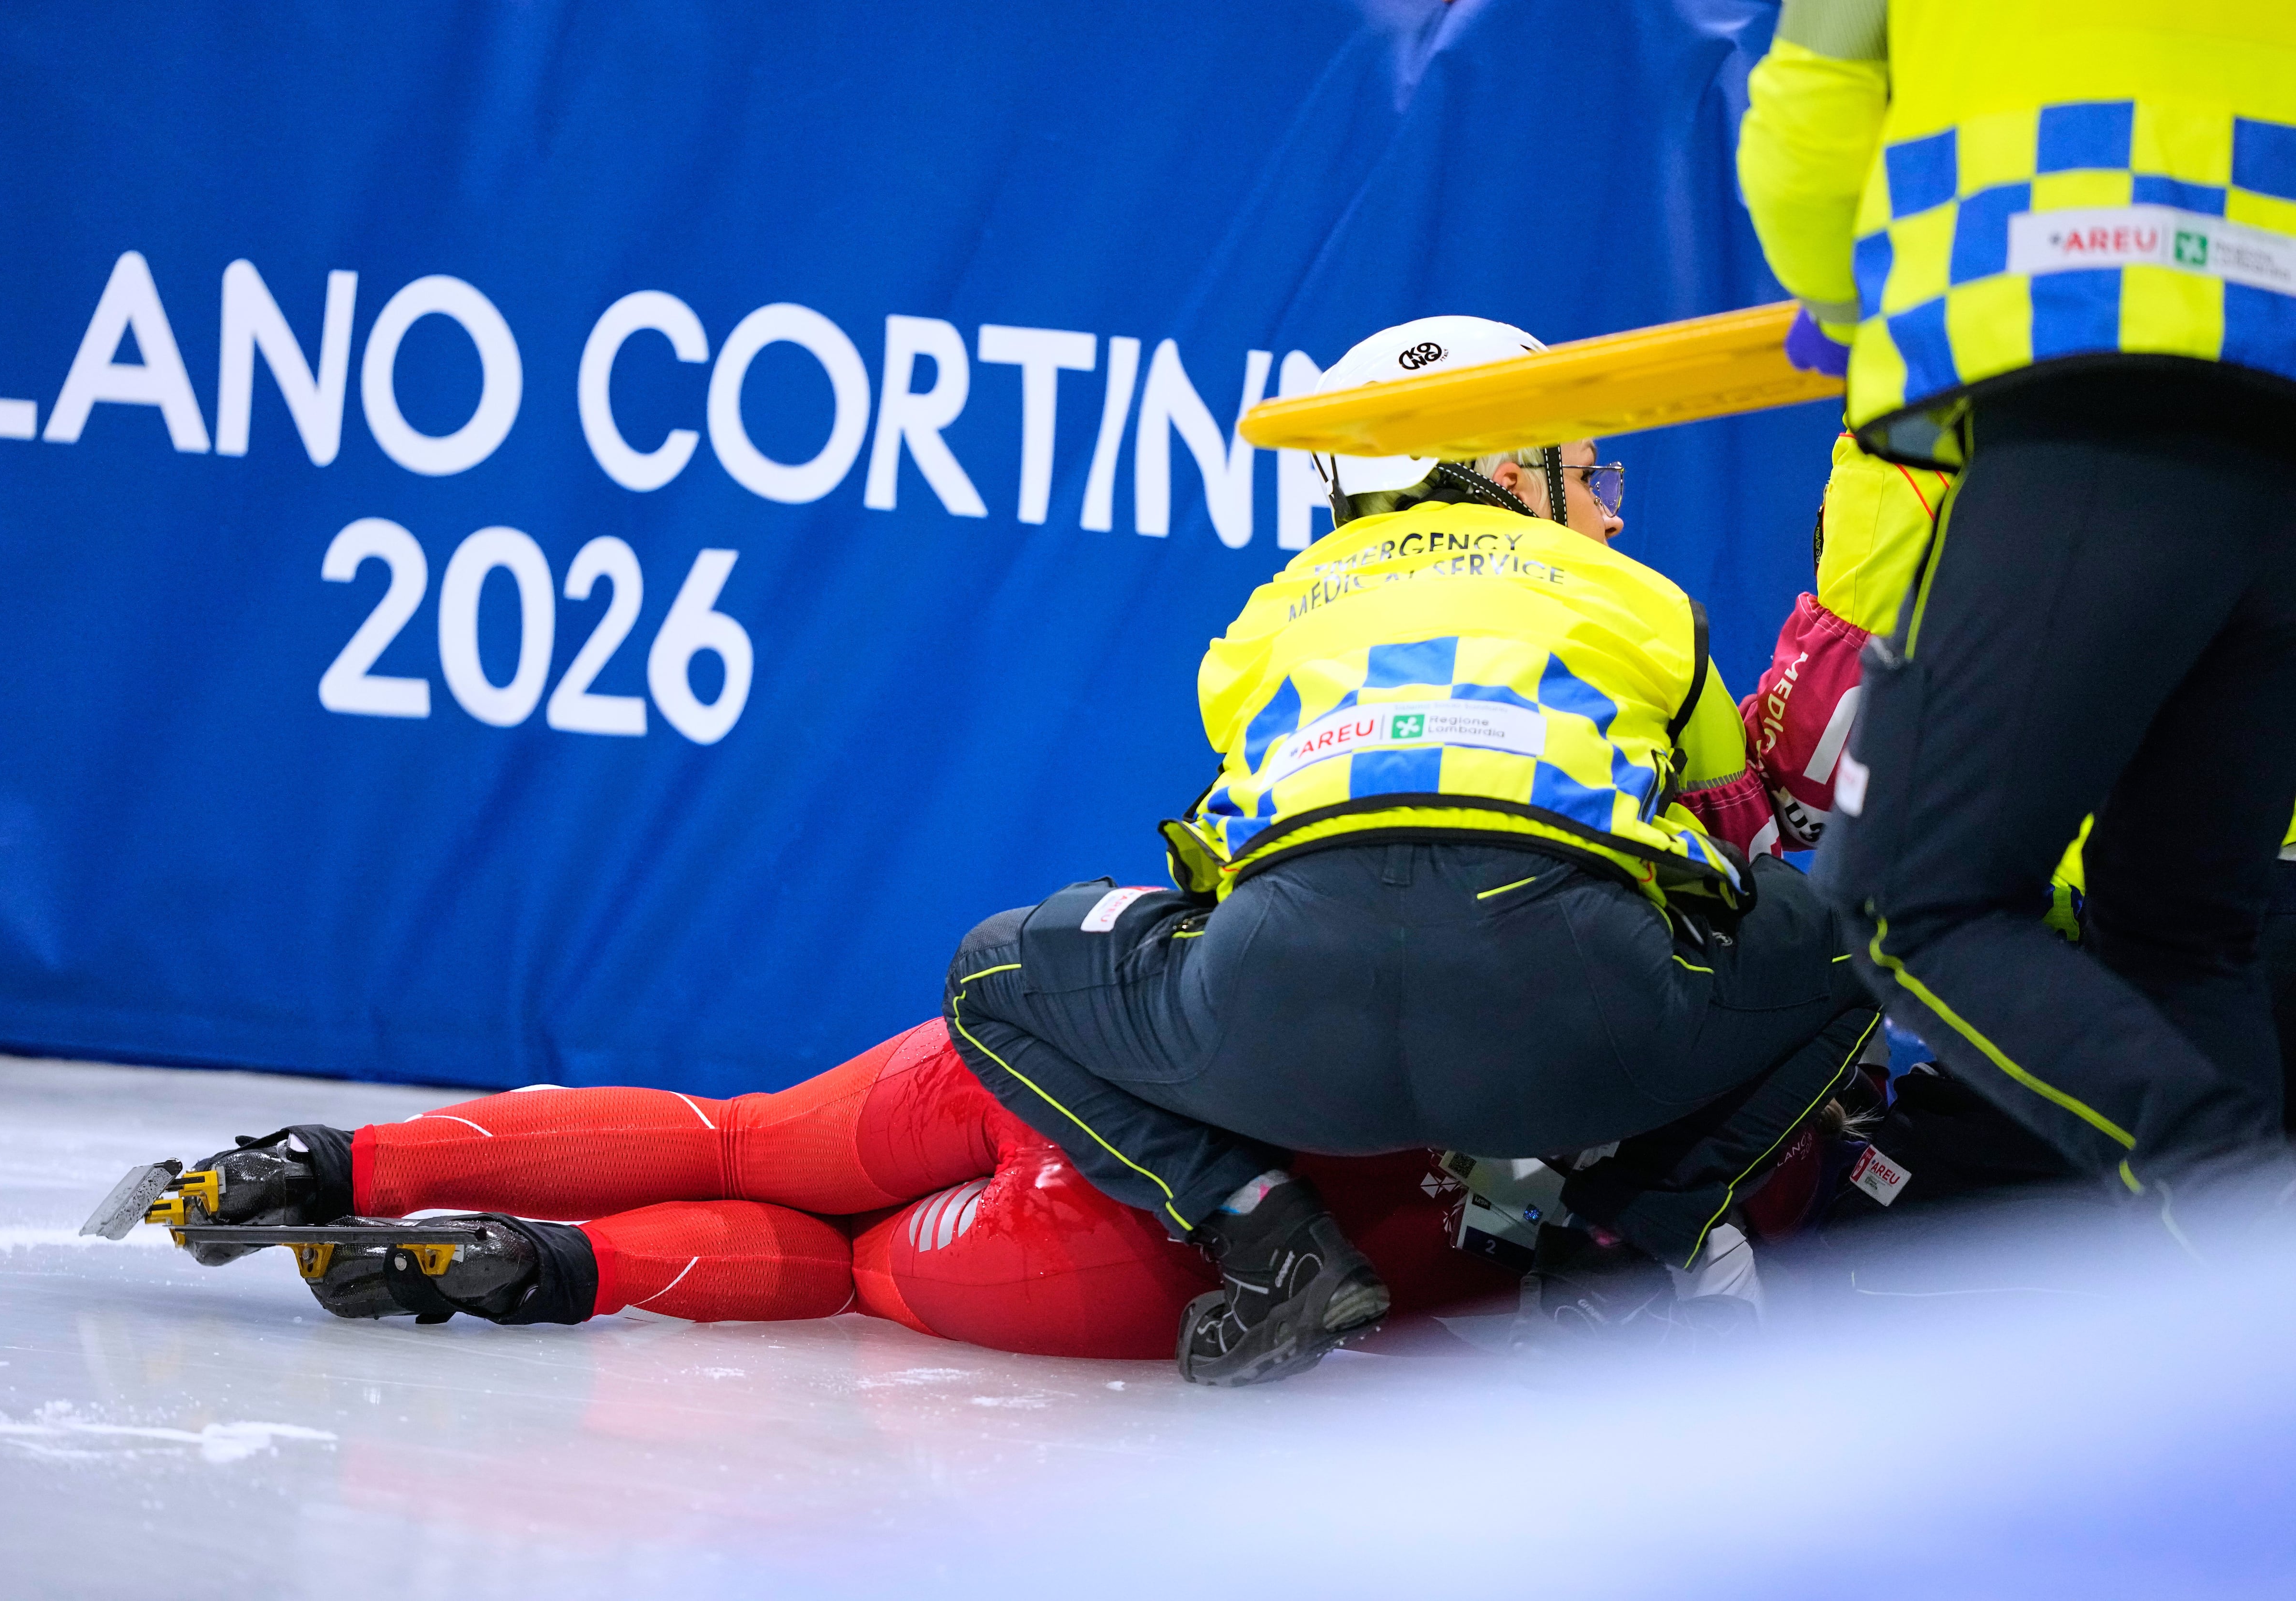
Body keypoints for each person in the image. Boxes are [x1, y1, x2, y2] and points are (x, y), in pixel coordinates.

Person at [942, 316, 1881, 1387]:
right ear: (1507, 472)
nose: (1613, 510)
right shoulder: (1649, 603)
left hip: (1289, 1036)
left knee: (989, 974)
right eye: (1589, 474)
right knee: (1873, 927)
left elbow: (1223, 858)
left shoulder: (1268, 615)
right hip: (1576, 1037)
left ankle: (1266, 1234)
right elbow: (1741, 840)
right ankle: (1620, 1242)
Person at [1739, 0, 2296, 1223]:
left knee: (1909, 899)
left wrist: (1841, 293)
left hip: (2087, 372)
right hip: (2271, 435)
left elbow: (1808, 117)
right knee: (2183, 938)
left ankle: (2246, 1218)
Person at [156, 1018, 1511, 1357]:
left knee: (743, 1139)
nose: (1609, 498)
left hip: (1072, 1060)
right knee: (855, 1267)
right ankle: (545, 1259)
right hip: (1134, 1237)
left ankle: (332, 1161)